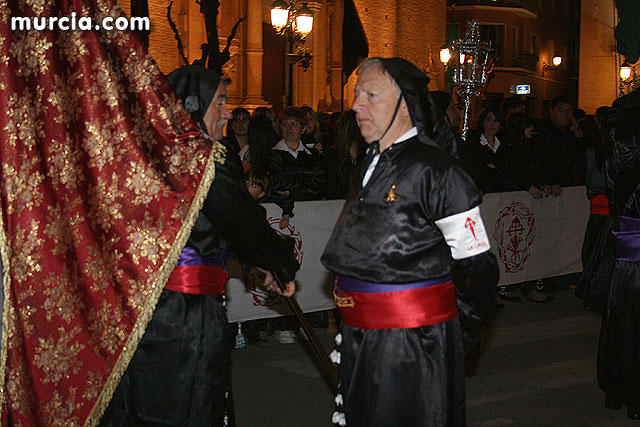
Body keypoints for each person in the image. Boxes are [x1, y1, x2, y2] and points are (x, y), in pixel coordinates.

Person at [107, 65, 299, 426]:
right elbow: (244, 220)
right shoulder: (204, 158)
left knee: (146, 402)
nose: (227, 112)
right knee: (192, 401)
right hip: (186, 313)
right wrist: (279, 263)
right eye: (221, 102)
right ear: (193, 105)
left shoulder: (142, 154)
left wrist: (261, 263)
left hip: (139, 312)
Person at [321, 57, 499, 426]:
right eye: (357, 94)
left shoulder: (438, 171)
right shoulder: (369, 163)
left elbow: (476, 263)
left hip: (412, 343)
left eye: (371, 94)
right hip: (361, 334)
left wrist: (459, 329)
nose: (356, 105)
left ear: (406, 105)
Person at [598, 89, 640, 420]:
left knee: (624, 313)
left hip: (628, 229)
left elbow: (612, 177)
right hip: (632, 228)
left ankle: (620, 388)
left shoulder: (618, 130)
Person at [531, 96, 584, 196]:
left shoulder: (570, 132)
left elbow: (578, 157)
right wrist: (548, 181)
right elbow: (539, 159)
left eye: (568, 111)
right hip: (551, 185)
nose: (565, 115)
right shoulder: (541, 131)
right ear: (551, 111)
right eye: (561, 110)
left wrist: (576, 134)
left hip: (569, 184)